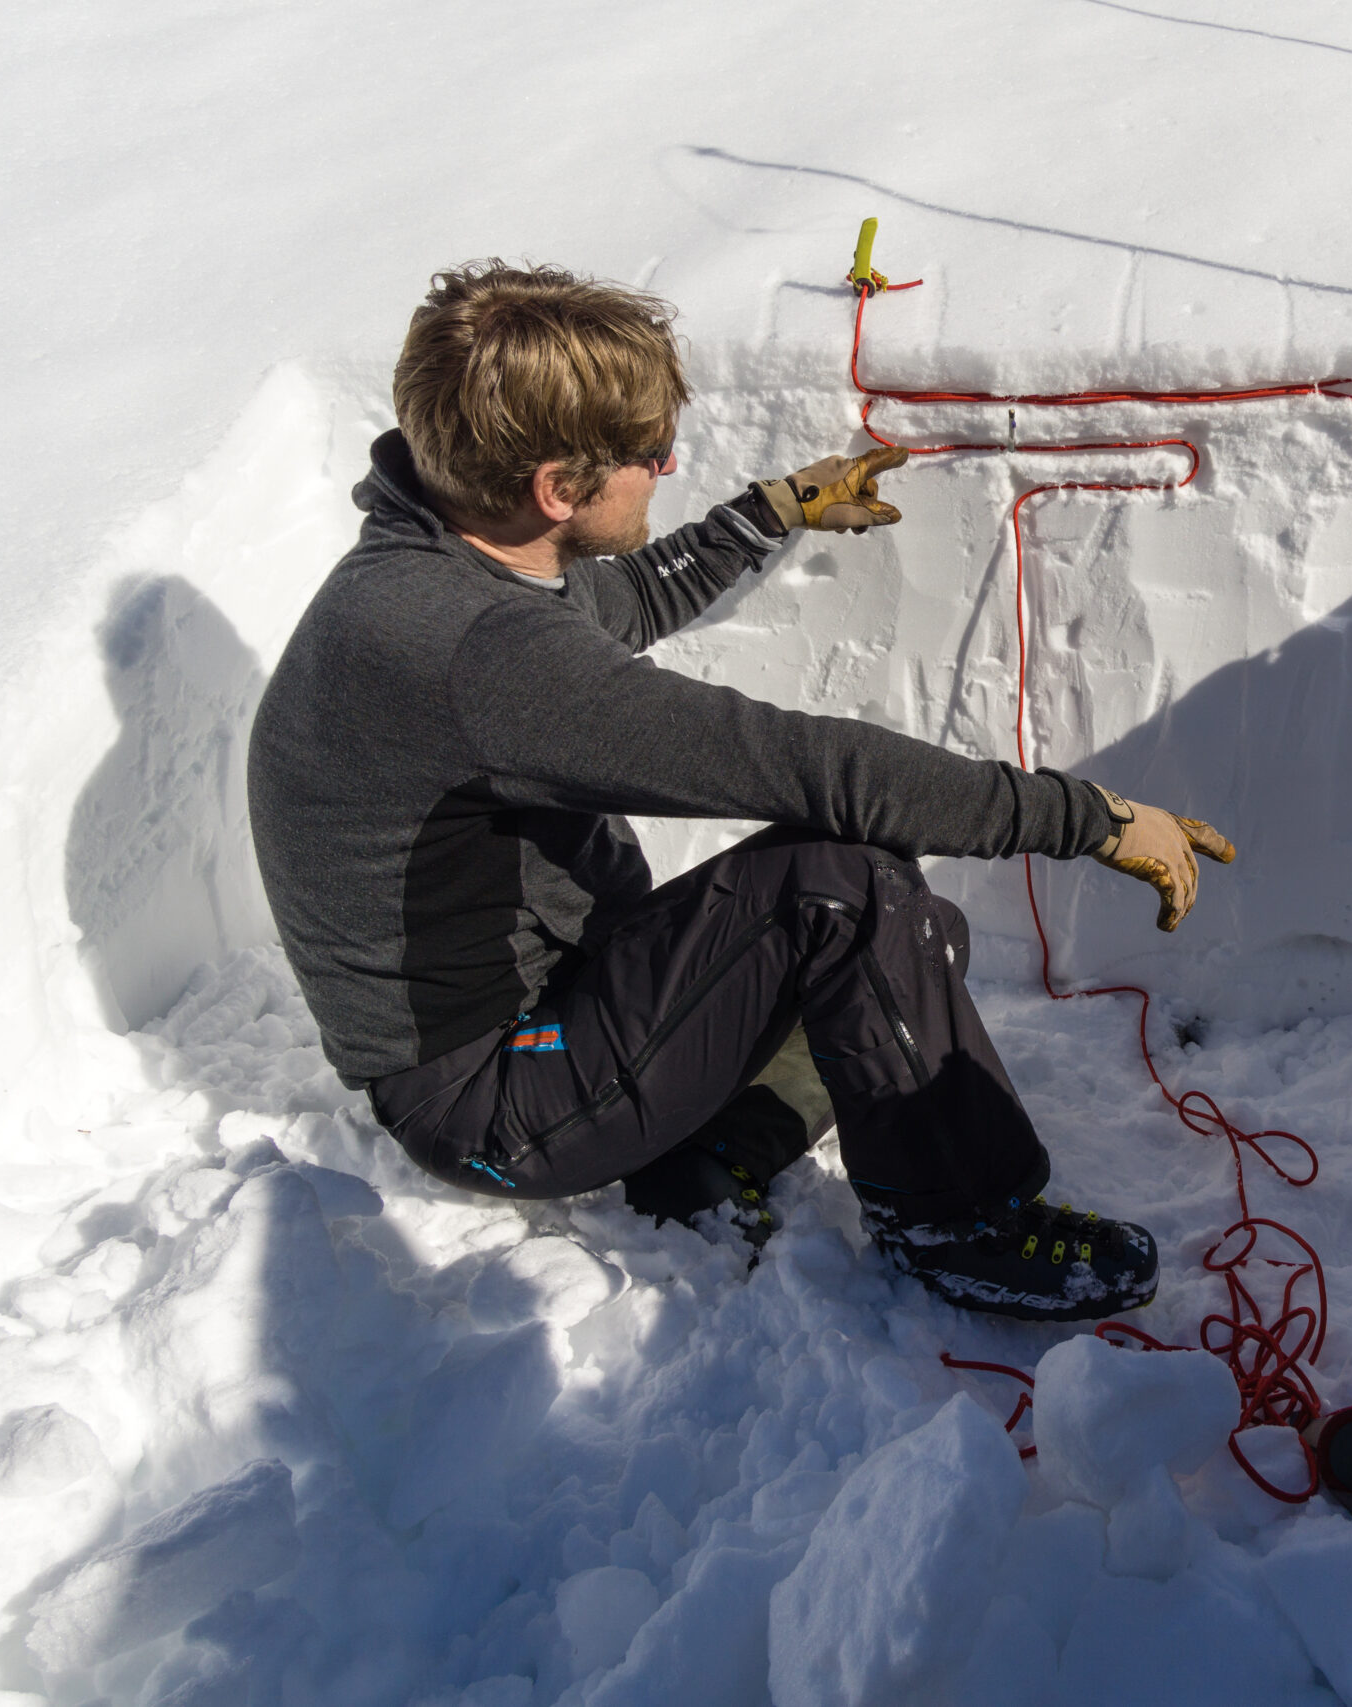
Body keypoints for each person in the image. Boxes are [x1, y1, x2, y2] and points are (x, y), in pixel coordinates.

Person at [246, 261, 1235, 1322]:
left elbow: (616, 597)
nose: (667, 464)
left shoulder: (445, 549)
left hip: (564, 1000)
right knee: (846, 896)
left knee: (906, 942)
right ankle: (960, 1224)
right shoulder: (475, 649)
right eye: (647, 456)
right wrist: (1090, 820)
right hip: (492, 1096)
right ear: (556, 490)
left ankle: (706, 1155)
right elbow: (807, 767)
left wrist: (774, 511)